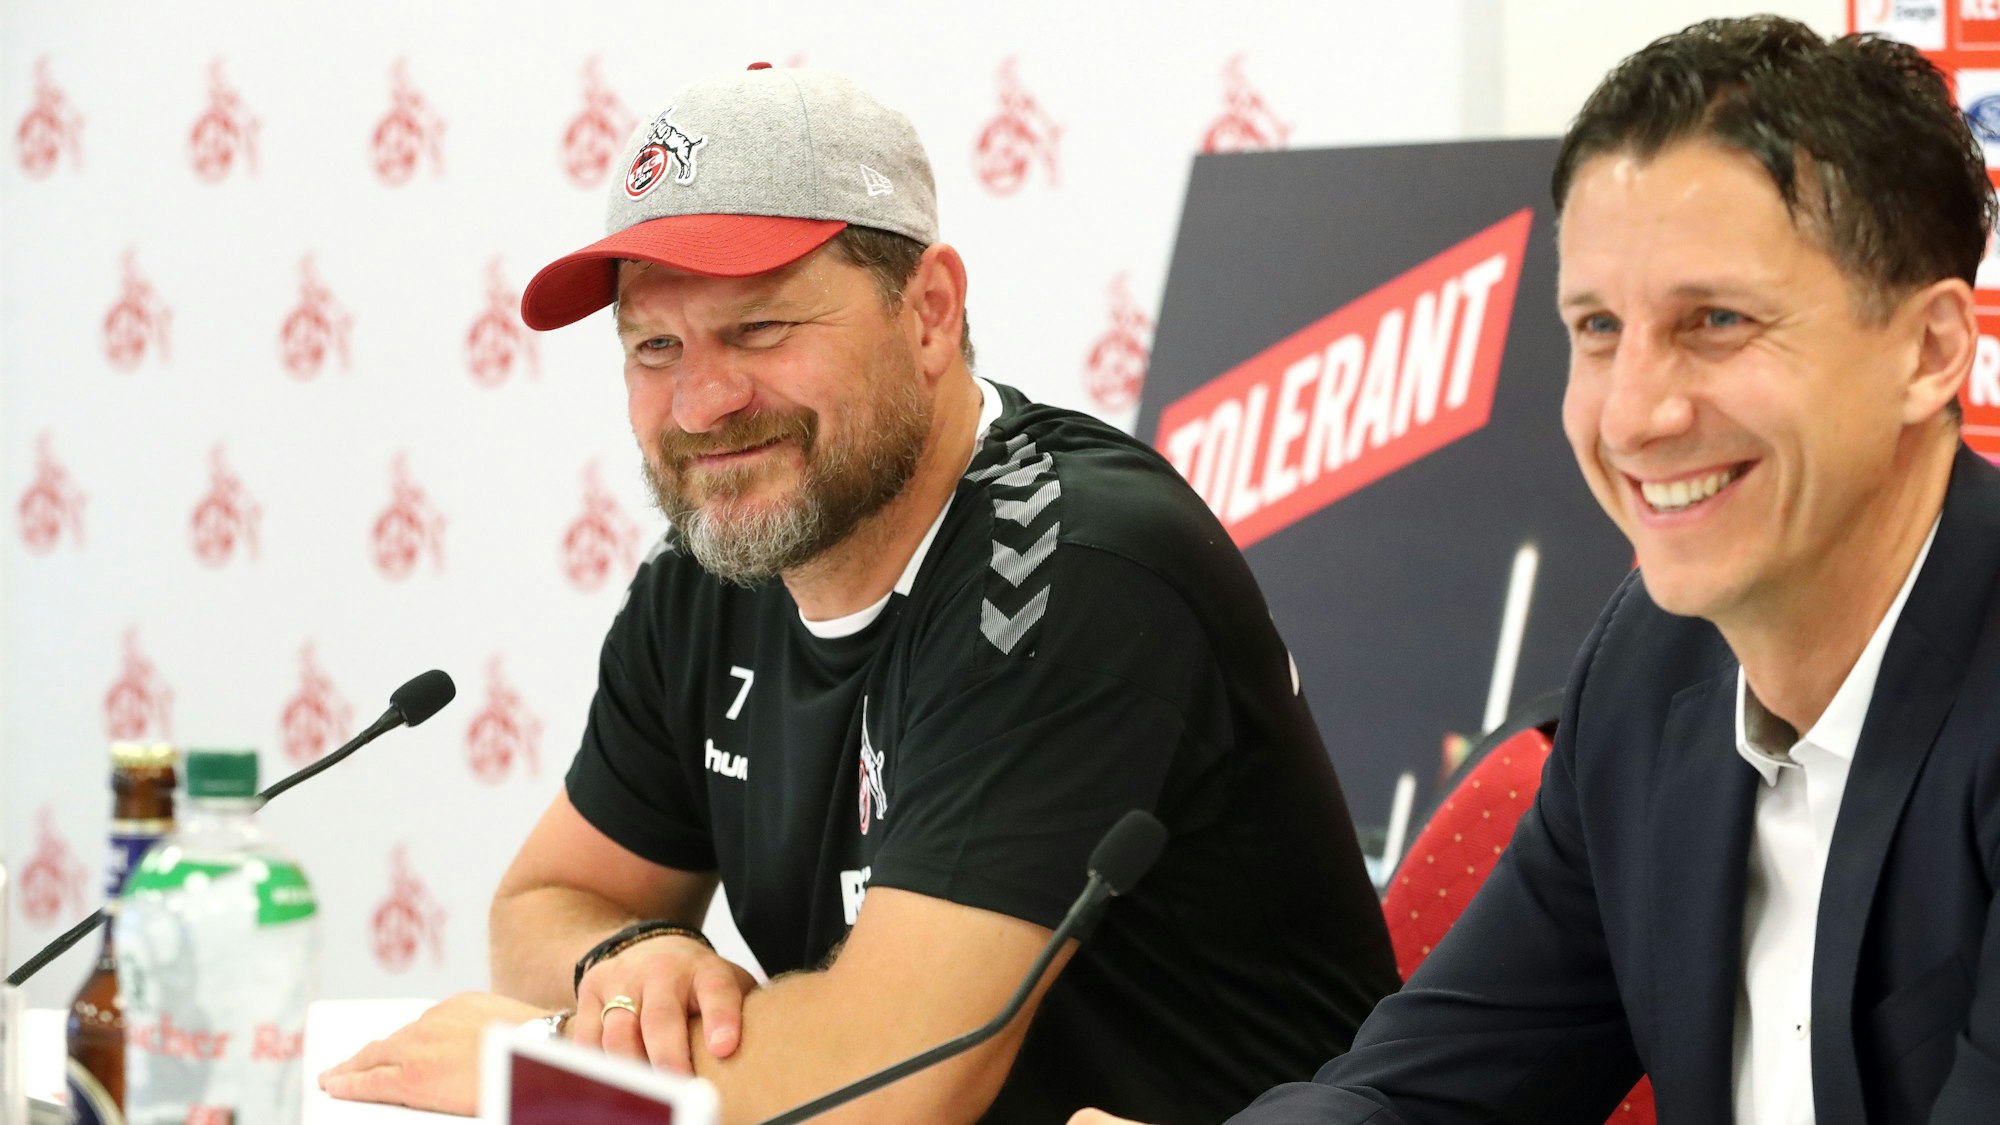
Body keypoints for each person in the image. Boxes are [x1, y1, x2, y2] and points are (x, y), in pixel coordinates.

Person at [319, 64, 1398, 1124]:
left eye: (760, 328)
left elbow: (885, 1083)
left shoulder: (1068, 569)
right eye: (654, 346)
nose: (701, 405)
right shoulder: (712, 570)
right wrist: (628, 954)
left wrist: (535, 1072)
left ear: (929, 312)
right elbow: (542, 907)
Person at [1070, 15, 2000, 1125]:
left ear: (1929, 350)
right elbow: (1431, 1086)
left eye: (1715, 320)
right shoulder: (1651, 670)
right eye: (1598, 326)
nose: (1633, 415)